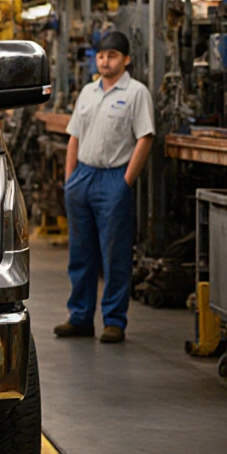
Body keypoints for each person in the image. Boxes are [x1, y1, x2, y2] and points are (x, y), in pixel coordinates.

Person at [56, 31, 154, 344]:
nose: (105, 61)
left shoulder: (137, 93)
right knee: (81, 253)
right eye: (101, 55)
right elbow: (74, 136)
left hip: (114, 178)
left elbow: (145, 138)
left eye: (112, 56)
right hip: (83, 177)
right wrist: (70, 178)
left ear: (126, 60)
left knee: (115, 254)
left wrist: (125, 183)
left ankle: (114, 321)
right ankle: (81, 317)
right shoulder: (87, 92)